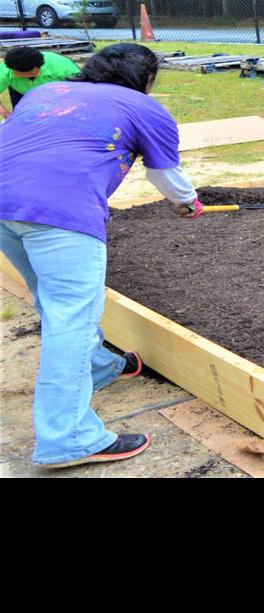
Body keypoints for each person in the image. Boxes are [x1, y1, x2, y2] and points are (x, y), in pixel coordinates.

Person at [0, 44, 204, 467]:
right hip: (58, 209)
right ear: (146, 79)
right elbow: (165, 174)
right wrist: (188, 203)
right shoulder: (146, 108)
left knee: (49, 295)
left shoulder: (46, 93)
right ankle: (68, 439)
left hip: (5, 203)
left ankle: (97, 366)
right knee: (71, 317)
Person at [1, 47, 81, 122]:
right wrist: (7, 115)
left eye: (32, 73)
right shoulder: (3, 72)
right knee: (22, 116)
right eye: (22, 75)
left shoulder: (63, 67)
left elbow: (82, 90)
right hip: (21, 91)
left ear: (40, 66)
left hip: (58, 90)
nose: (27, 76)